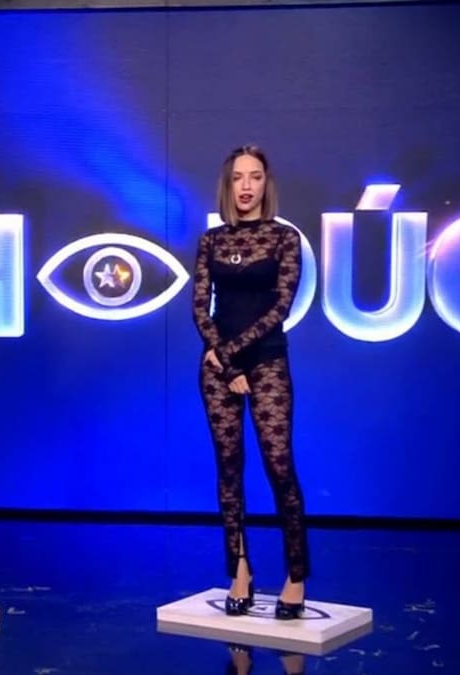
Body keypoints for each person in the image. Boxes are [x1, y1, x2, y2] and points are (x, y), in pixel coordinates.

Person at [192, 144, 309, 620]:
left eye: (254, 176)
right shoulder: (211, 240)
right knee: (229, 467)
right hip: (218, 367)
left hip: (266, 362)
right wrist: (224, 362)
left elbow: (280, 308)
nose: (246, 186)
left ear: (266, 183)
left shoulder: (284, 238)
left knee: (279, 465)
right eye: (238, 177)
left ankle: (296, 574)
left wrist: (234, 356)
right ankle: (239, 570)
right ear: (228, 184)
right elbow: (200, 307)